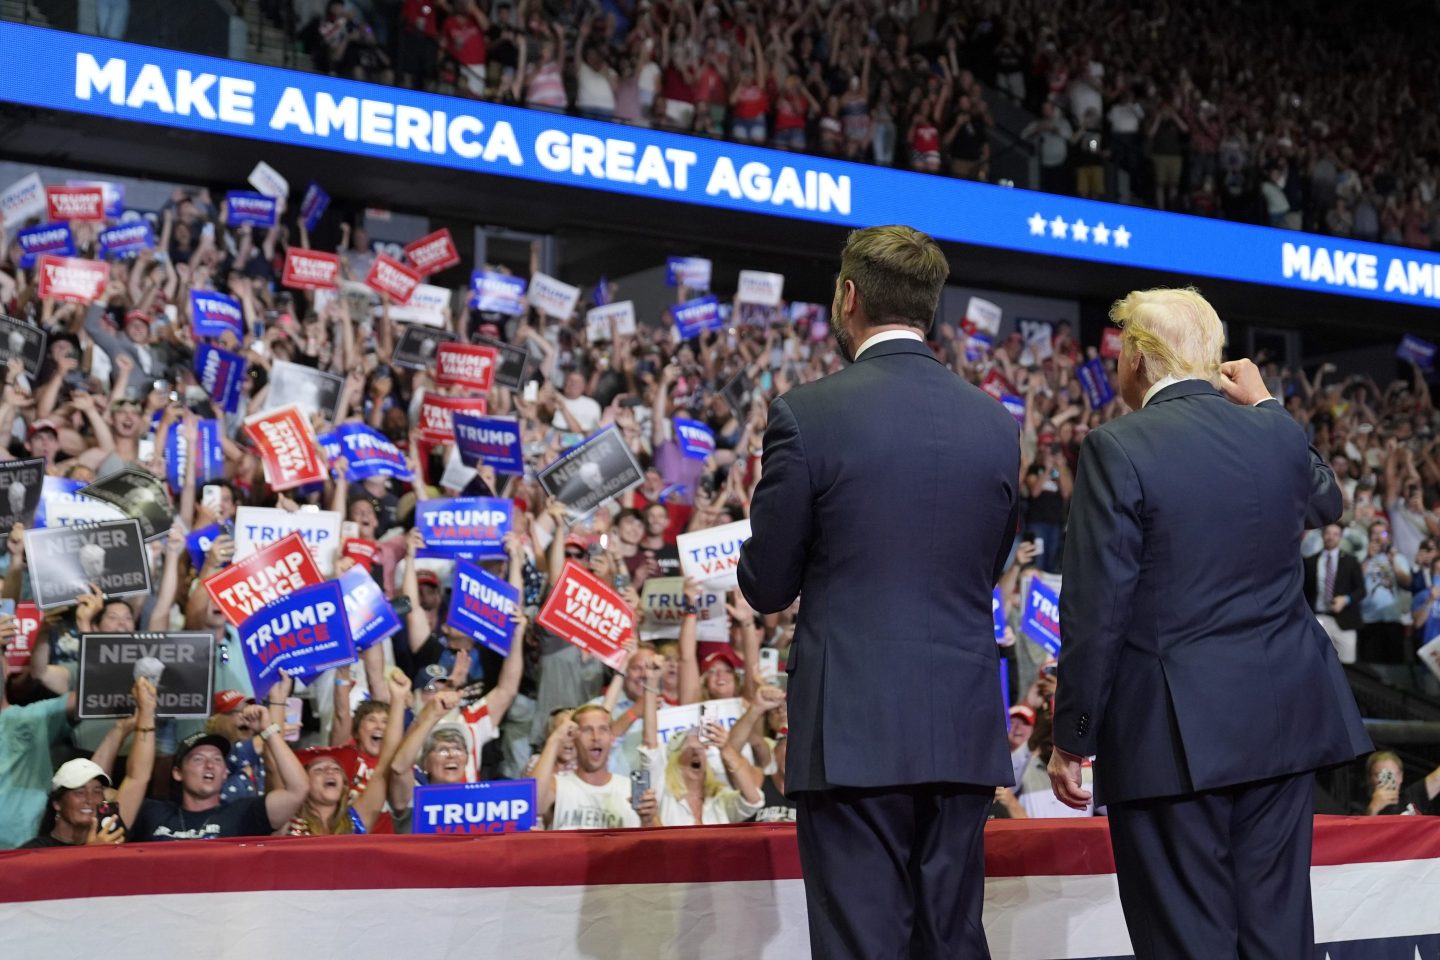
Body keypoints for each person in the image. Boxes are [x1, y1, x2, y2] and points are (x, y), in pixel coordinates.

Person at [1048, 288, 1372, 959]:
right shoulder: (1273, 431)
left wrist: (1073, 735)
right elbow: (1327, 500)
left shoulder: (1116, 446)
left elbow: (1096, 608)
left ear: (1139, 358)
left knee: (1188, 941)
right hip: (1282, 728)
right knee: (1275, 937)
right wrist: (1269, 406)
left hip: (1171, 739)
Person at [739, 225, 1020, 960]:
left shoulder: (808, 414)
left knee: (863, 944)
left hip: (852, 734)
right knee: (951, 942)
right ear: (930, 307)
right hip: (960, 726)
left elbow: (766, 585)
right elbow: (988, 564)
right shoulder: (995, 423)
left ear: (848, 297)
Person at [131, 678, 310, 841]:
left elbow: (298, 789)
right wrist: (138, 719)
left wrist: (268, 730)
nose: (209, 765)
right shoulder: (152, 813)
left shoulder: (244, 813)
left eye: (217, 759)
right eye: (198, 759)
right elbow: (135, 779)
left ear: (225, 773)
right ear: (178, 773)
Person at [1304, 522, 1366, 663]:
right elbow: (1305, 593)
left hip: (1345, 620)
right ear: (1322, 535)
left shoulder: (1351, 561)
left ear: (1341, 537)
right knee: (1319, 663)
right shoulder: (1310, 562)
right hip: (1319, 618)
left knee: (1348, 666)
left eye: (1335, 534)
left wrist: (1346, 600)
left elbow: (1361, 590)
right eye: (1328, 533)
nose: (1331, 537)